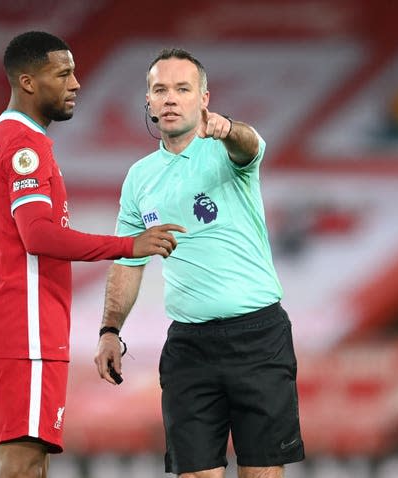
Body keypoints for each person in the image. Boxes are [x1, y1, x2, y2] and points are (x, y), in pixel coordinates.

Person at [0, 32, 184, 478]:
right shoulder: (26, 147)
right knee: (21, 465)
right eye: (62, 74)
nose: (76, 83)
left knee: (31, 462)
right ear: (27, 82)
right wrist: (128, 245)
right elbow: (38, 236)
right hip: (25, 329)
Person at [94, 48, 305, 478]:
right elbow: (129, 259)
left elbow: (248, 145)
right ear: (148, 103)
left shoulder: (227, 151)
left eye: (182, 89)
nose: (170, 98)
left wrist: (228, 129)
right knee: (194, 474)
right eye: (160, 89)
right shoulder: (139, 178)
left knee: (261, 471)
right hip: (190, 346)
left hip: (257, 336)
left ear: (204, 99)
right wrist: (110, 330)